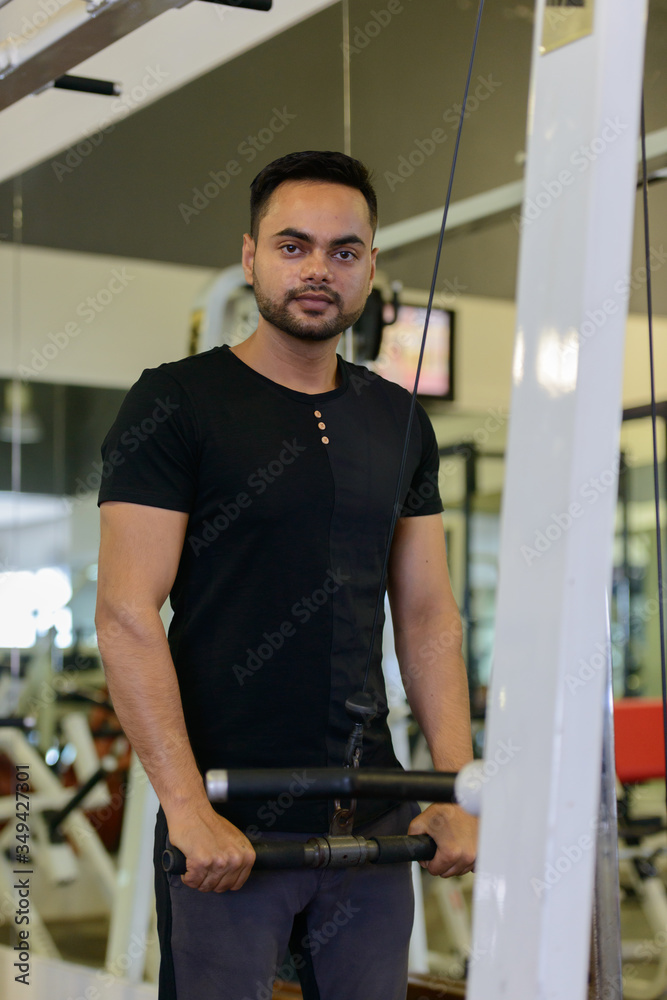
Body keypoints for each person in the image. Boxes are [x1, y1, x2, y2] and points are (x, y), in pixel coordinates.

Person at [95, 150, 476, 1000]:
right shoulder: (175, 403)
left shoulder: (399, 418)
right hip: (228, 819)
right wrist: (187, 809)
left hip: (371, 809)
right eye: (292, 245)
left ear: (369, 269)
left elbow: (426, 614)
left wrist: (455, 787)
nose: (317, 270)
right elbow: (125, 613)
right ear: (250, 257)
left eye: (344, 251)